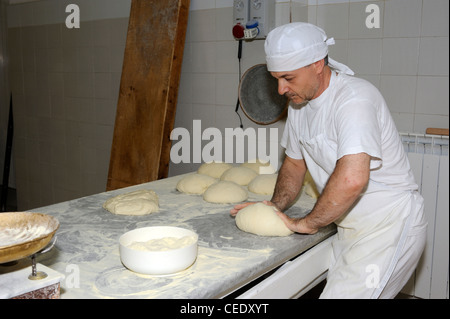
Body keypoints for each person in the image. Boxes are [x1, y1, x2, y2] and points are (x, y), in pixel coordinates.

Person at [230, 22, 427, 299]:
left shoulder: (354, 99)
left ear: (317, 65)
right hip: (350, 225)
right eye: (276, 78)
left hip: (387, 227)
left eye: (288, 78)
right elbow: (295, 163)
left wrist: (308, 223)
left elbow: (352, 178)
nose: (280, 89)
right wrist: (273, 207)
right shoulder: (299, 104)